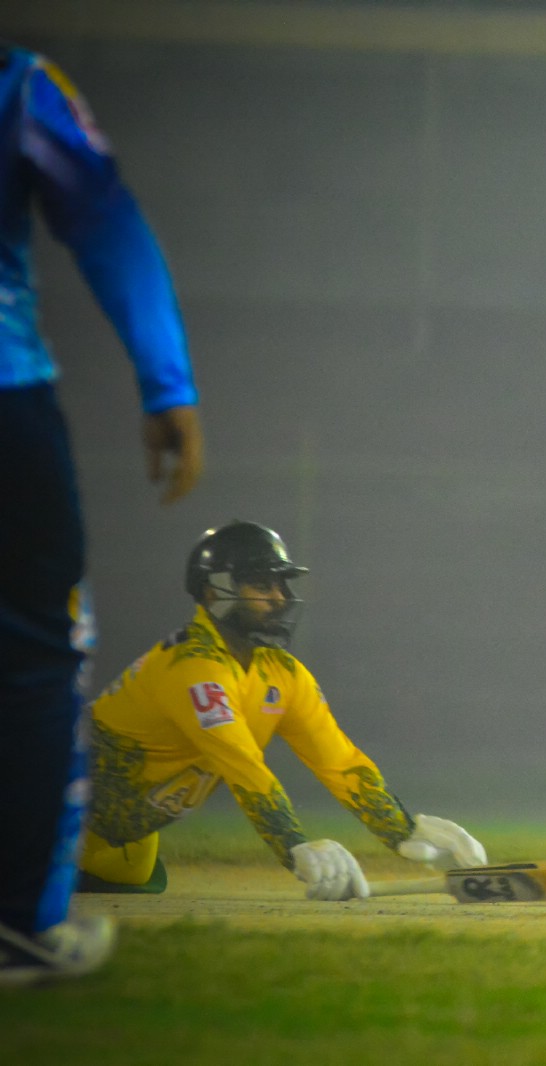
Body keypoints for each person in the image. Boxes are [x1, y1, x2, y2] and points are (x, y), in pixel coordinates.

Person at [0, 43, 205, 986]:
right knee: (35, 655)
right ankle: (20, 920)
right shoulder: (18, 85)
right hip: (7, 397)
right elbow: (102, 217)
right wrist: (167, 382)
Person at [76, 521, 488, 901]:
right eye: (262, 585)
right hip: (53, 807)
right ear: (213, 591)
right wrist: (293, 846)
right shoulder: (193, 666)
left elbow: (339, 760)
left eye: (281, 584)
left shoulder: (279, 672)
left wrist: (401, 827)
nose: (281, 597)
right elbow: (243, 765)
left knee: (132, 875)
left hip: (114, 839)